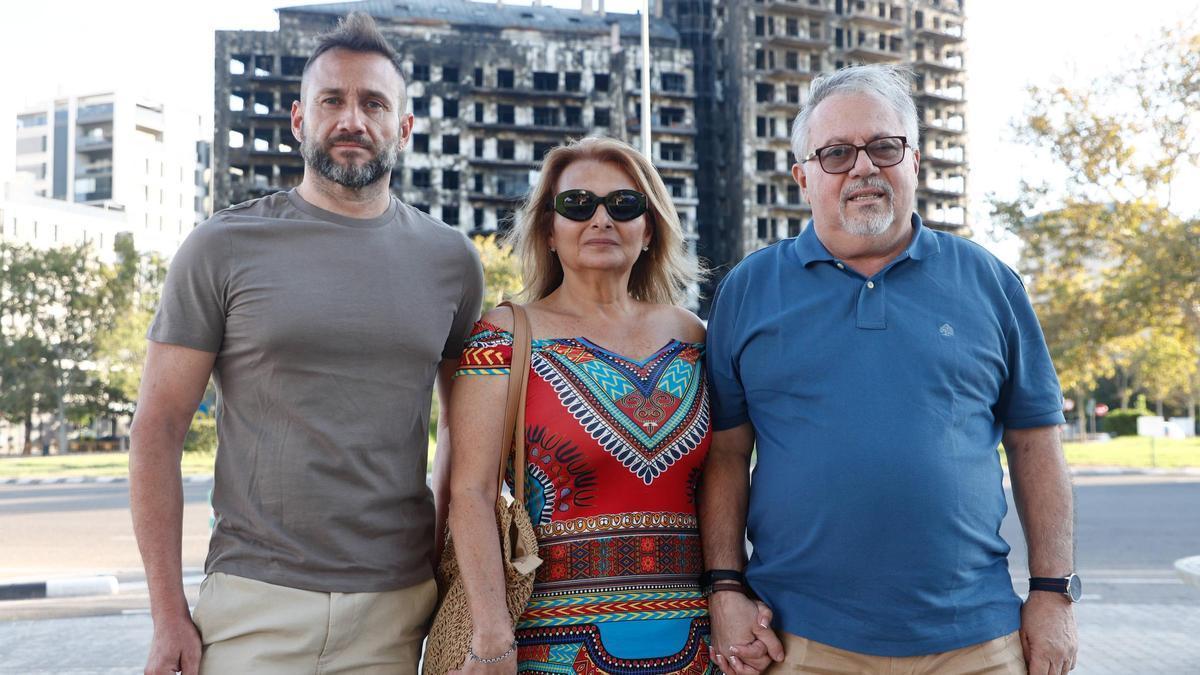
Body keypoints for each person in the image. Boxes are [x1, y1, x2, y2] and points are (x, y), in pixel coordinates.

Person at [129, 13, 483, 675]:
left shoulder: (453, 261)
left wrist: (437, 567)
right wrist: (167, 610)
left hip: (394, 606)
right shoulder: (221, 247)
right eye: (332, 101)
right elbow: (157, 426)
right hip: (252, 602)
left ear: (403, 128)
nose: (353, 119)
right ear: (299, 120)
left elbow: (465, 439)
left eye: (374, 103)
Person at [702, 64, 1079, 675]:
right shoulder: (750, 288)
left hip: (976, 642)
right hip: (799, 641)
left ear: (915, 163)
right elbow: (724, 455)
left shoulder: (988, 282)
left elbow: (1037, 445)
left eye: (884, 146)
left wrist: (1053, 593)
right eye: (836, 154)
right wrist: (724, 588)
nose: (863, 167)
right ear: (802, 176)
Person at [446, 137, 738, 671]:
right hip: (546, 648)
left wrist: (729, 591)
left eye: (624, 205)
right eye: (578, 205)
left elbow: (722, 473)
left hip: (695, 648)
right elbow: (470, 490)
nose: (601, 219)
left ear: (649, 230)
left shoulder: (692, 335)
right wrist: (491, 638)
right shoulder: (503, 337)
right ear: (548, 231)